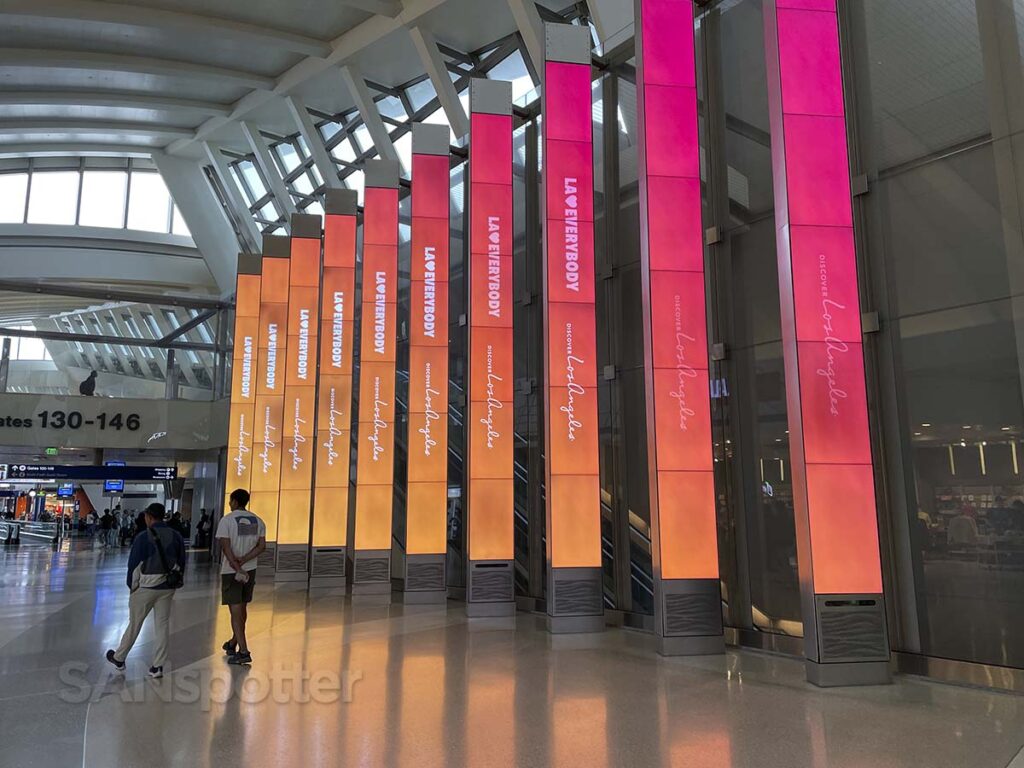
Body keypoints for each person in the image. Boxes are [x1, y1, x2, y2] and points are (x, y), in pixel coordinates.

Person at [105, 503, 185, 679]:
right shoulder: (176, 536)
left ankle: (119, 658)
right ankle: (158, 666)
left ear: (149, 517)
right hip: (167, 587)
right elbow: (182, 562)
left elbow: (133, 566)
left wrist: (132, 587)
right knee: (162, 625)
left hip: (145, 588)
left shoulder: (143, 537)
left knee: (135, 623)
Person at [217, 489, 265, 666]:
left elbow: (226, 547)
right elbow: (262, 546)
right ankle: (233, 642)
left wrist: (237, 567)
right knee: (242, 608)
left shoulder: (227, 520)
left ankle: (243, 651)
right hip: (250, 570)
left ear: (235, 502)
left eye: (231, 501)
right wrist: (245, 561)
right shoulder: (257, 520)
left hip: (232, 572)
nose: (230, 504)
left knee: (235, 611)